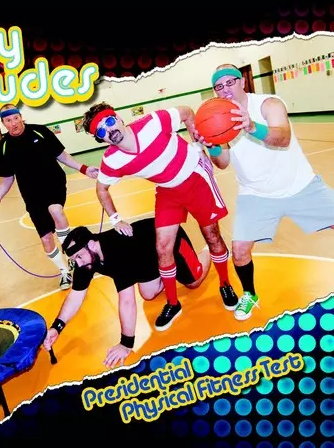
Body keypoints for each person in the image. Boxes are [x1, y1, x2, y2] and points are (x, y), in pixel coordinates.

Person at [81, 102, 238, 331]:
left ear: (119, 118)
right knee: (163, 247)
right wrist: (116, 219)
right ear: (101, 139)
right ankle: (173, 303)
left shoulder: (153, 123)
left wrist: (198, 147)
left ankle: (225, 284)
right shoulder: (112, 160)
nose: (109, 130)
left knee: (212, 236)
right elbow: (101, 189)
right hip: (167, 191)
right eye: (101, 130)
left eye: (110, 121)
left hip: (195, 178)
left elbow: (187, 112)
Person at [197, 63, 334, 321]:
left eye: (230, 82)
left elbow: (283, 138)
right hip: (255, 195)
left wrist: (252, 127)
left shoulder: (269, 104)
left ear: (242, 82)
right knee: (239, 250)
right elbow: (222, 163)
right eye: (219, 86)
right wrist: (212, 146)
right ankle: (250, 295)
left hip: (300, 186)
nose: (225, 89)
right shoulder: (218, 118)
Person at [43, 217, 213, 368]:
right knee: (148, 294)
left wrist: (126, 344)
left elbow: (127, 301)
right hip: (147, 256)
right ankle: (165, 270)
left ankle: (208, 250)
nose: (78, 264)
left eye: (79, 257)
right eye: (74, 260)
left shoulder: (116, 251)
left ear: (92, 244)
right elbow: (75, 296)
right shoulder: (86, 260)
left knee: (193, 282)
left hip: (168, 238)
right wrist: (57, 328)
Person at [0, 104, 99, 290]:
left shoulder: (40, 132)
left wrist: (83, 168)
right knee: (46, 239)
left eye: (15, 118)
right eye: (8, 120)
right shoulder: (3, 147)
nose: (13, 123)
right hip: (31, 194)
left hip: (54, 183)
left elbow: (62, 156)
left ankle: (72, 253)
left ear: (21, 117)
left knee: (55, 210)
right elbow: (7, 179)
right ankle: (64, 272)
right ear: (3, 123)